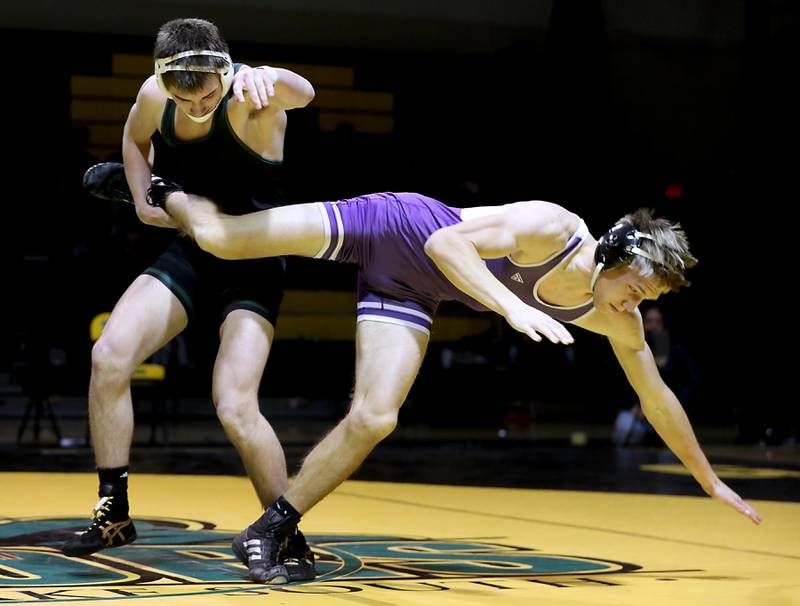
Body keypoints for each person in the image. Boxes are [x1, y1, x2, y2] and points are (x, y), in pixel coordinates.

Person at [93, 175, 763, 584]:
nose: (635, 307)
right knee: (225, 239)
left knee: (376, 418)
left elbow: (656, 396)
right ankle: (159, 189)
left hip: (411, 292)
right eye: (636, 291)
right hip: (397, 224)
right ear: (616, 255)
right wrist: (510, 305)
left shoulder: (618, 321)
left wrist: (706, 478)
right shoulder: (552, 227)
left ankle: (271, 527)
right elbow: (445, 243)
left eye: (647, 301)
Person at [62, 18, 317, 581]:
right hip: (192, 254)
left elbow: (306, 93)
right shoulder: (156, 95)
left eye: (209, 93)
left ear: (226, 72)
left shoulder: (254, 93)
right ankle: (114, 512)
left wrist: (271, 75)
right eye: (186, 96)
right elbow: (134, 140)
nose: (198, 106)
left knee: (234, 404)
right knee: (109, 357)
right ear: (163, 79)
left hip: (252, 265)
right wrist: (140, 200)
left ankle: (285, 533)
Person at [612, 305, 699, 445]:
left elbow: (691, 381)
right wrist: (636, 406)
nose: (653, 326)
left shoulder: (674, 350)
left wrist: (677, 404)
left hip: (667, 411)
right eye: (649, 321)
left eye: (657, 322)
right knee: (624, 428)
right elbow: (626, 381)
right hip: (641, 412)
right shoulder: (633, 347)